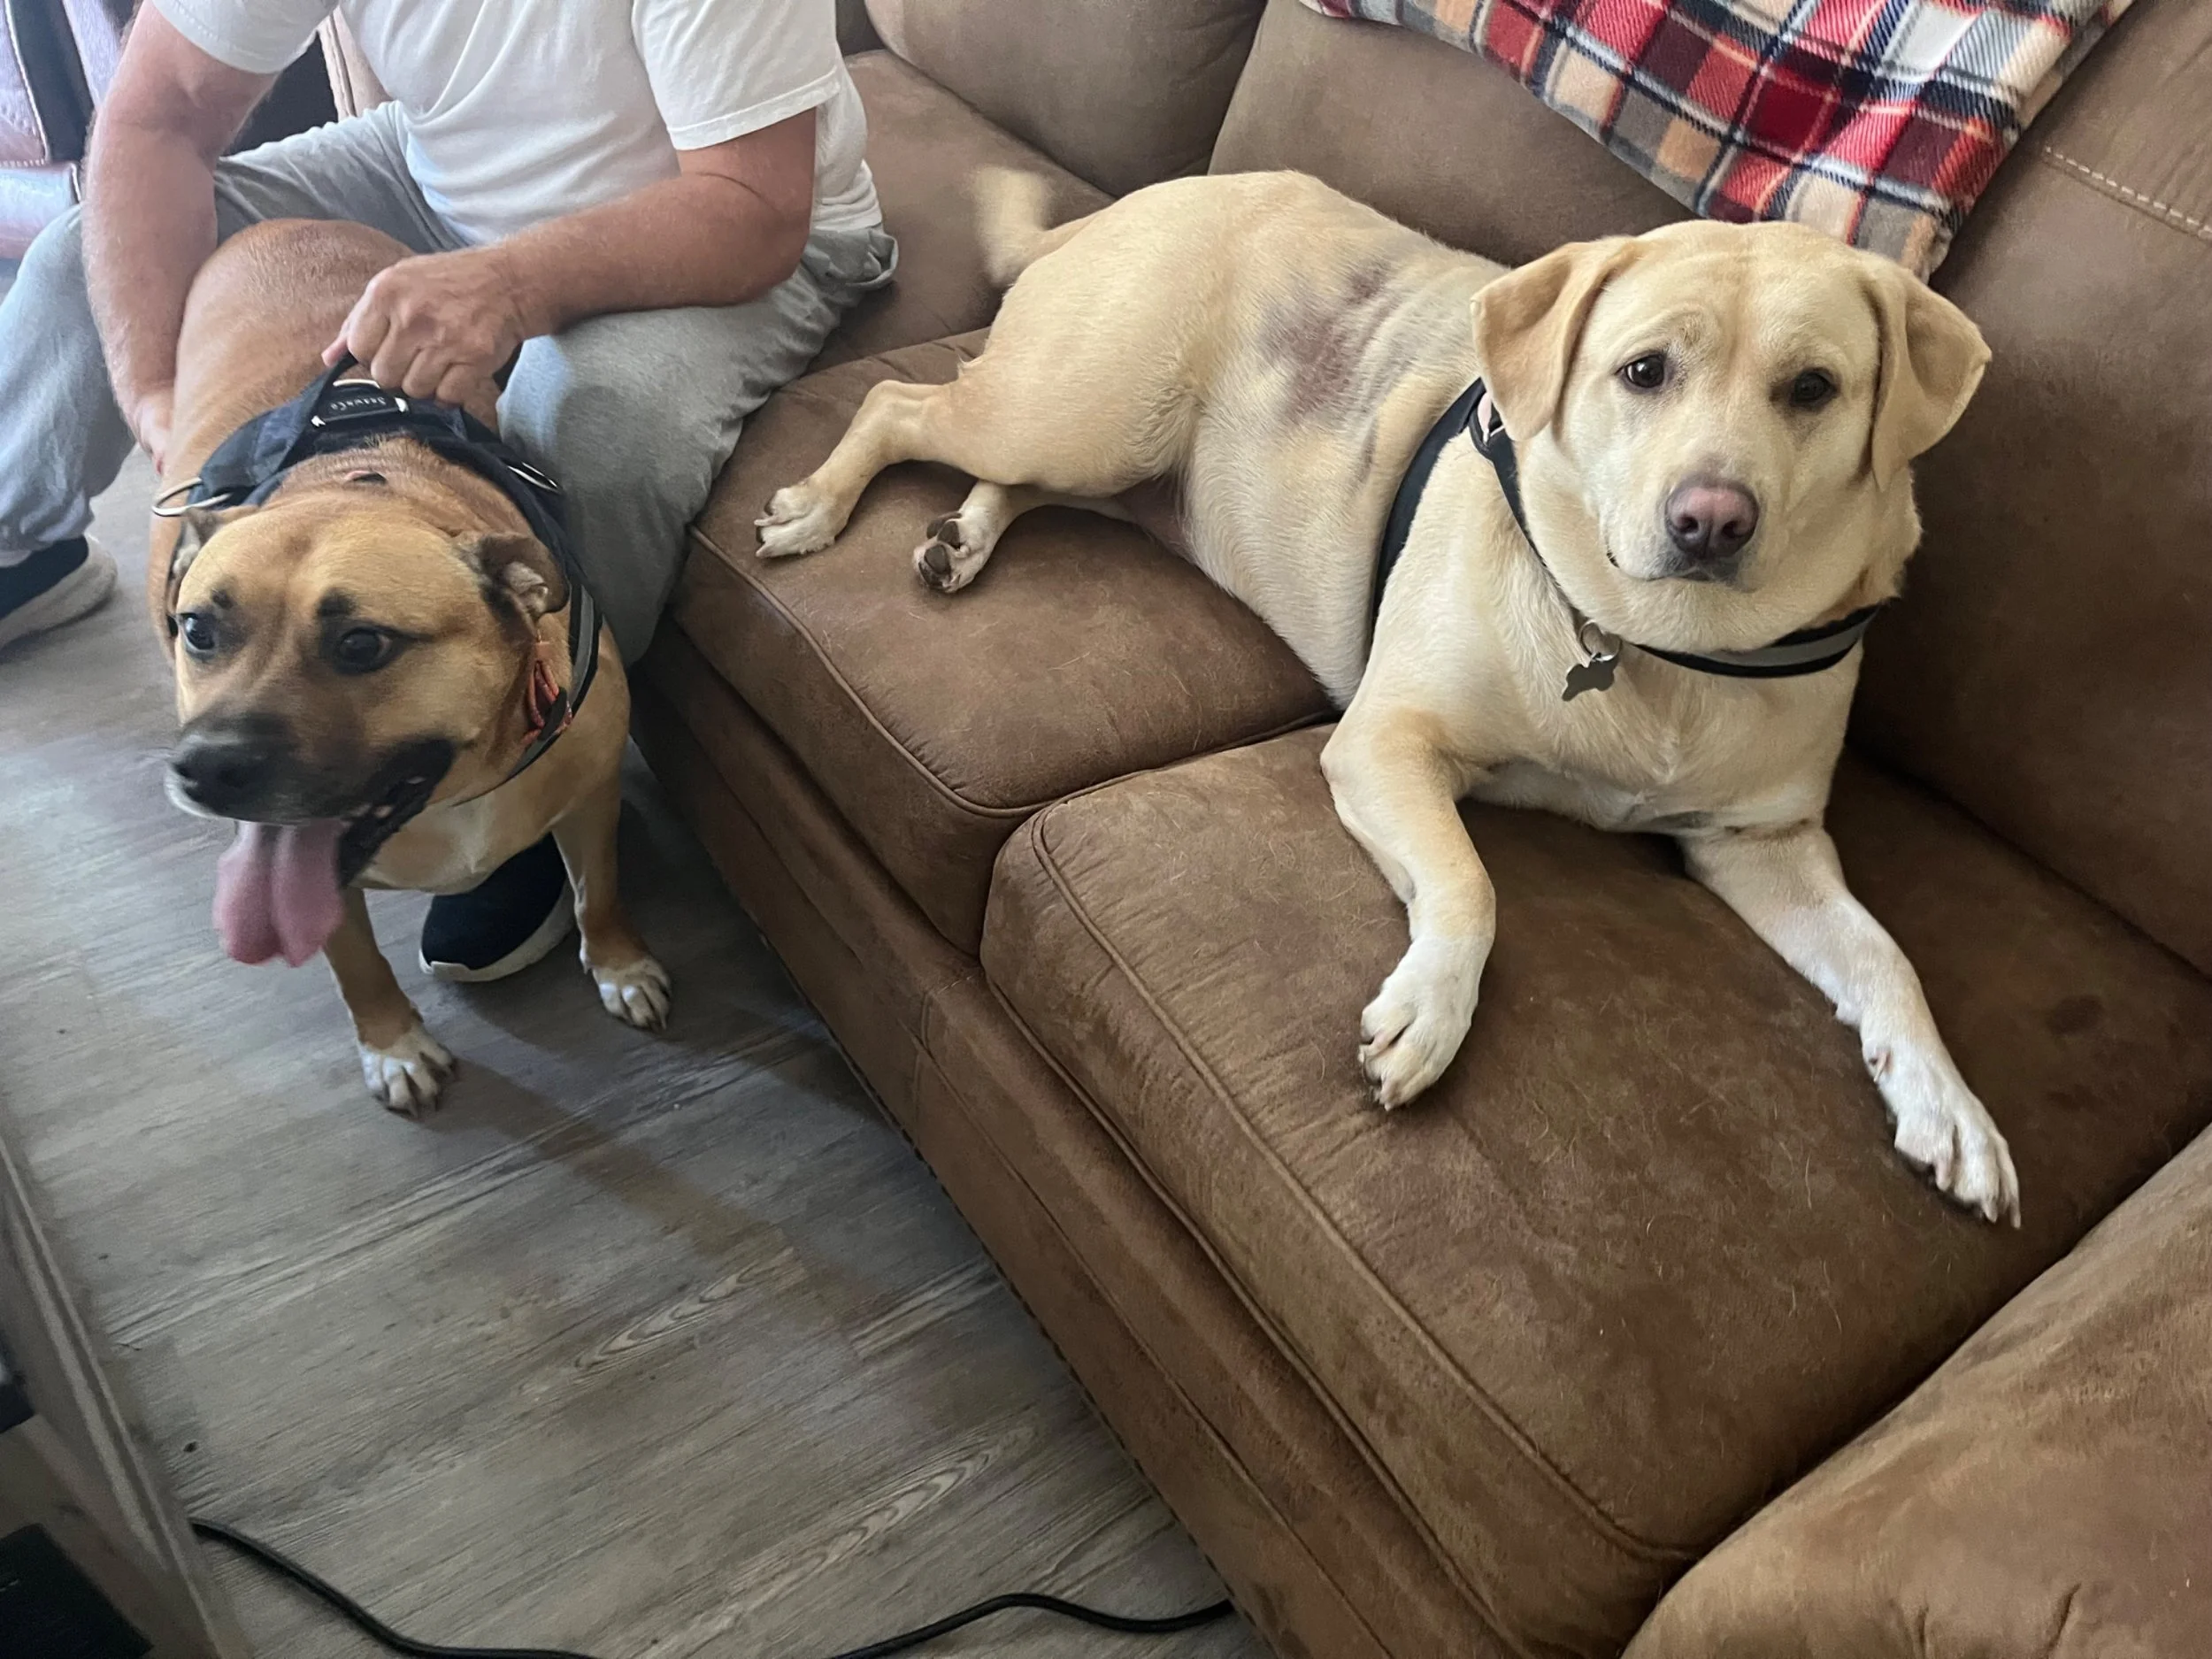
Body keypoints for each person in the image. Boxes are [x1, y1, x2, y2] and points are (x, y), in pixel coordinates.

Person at [0, 0, 892, 979]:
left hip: (719, 223)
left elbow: (752, 210)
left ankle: (519, 759)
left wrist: (504, 291)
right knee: (73, 264)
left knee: (575, 424)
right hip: (438, 184)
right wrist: (166, 412)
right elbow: (162, 112)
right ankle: (23, 540)